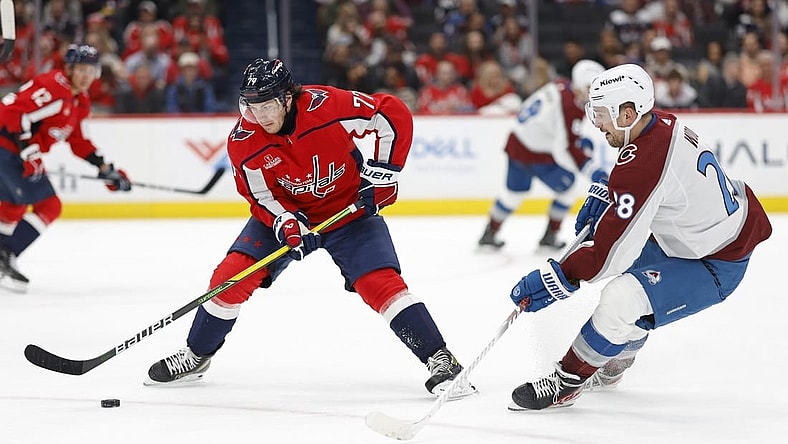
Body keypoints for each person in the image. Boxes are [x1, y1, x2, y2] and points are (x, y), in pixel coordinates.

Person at [144, 58, 477, 400]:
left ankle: (440, 358)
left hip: (349, 213)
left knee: (381, 284)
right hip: (287, 217)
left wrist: (383, 174)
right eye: (252, 106)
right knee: (228, 279)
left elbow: (390, 113)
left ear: (288, 97)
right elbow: (259, 194)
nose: (261, 116)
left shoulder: (327, 105)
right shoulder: (244, 140)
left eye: (268, 105)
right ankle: (196, 355)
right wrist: (285, 220)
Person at [506, 64, 772, 411]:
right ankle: (614, 361)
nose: (595, 122)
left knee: (620, 298)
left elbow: (609, 253)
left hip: (715, 261)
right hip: (690, 238)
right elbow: (650, 184)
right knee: (628, 299)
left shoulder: (645, 157)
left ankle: (567, 381)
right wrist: (610, 194)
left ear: (627, 113)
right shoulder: (654, 125)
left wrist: (560, 275)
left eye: (600, 113)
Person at [0, 44, 132, 293]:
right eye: (81, 69)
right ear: (69, 68)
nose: (86, 76)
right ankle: (4, 256)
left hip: (14, 153)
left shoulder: (80, 101)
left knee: (16, 204)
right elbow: (11, 111)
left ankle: (3, 255)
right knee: (46, 205)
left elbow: (79, 142)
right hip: (6, 147)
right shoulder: (54, 86)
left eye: (91, 70)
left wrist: (105, 169)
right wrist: (29, 151)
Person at [478, 59, 608, 251]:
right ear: (581, 84)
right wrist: (591, 170)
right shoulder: (571, 105)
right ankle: (550, 237)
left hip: (517, 144)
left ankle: (489, 233)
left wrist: (577, 142)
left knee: (513, 195)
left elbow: (557, 130)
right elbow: (565, 148)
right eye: (591, 87)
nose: (594, 94)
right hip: (537, 155)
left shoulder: (560, 85)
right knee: (568, 189)